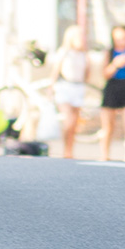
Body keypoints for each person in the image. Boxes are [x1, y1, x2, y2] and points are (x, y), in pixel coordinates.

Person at [49, 24, 89, 159]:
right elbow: (56, 70)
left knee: (75, 123)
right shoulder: (64, 52)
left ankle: (70, 150)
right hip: (65, 87)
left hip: (78, 87)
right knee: (69, 120)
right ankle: (65, 149)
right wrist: (51, 87)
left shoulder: (83, 54)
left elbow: (86, 74)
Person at [99, 24, 125, 161]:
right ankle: (104, 155)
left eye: (123, 38)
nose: (121, 41)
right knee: (108, 126)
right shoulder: (109, 53)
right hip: (111, 87)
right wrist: (115, 64)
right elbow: (105, 74)